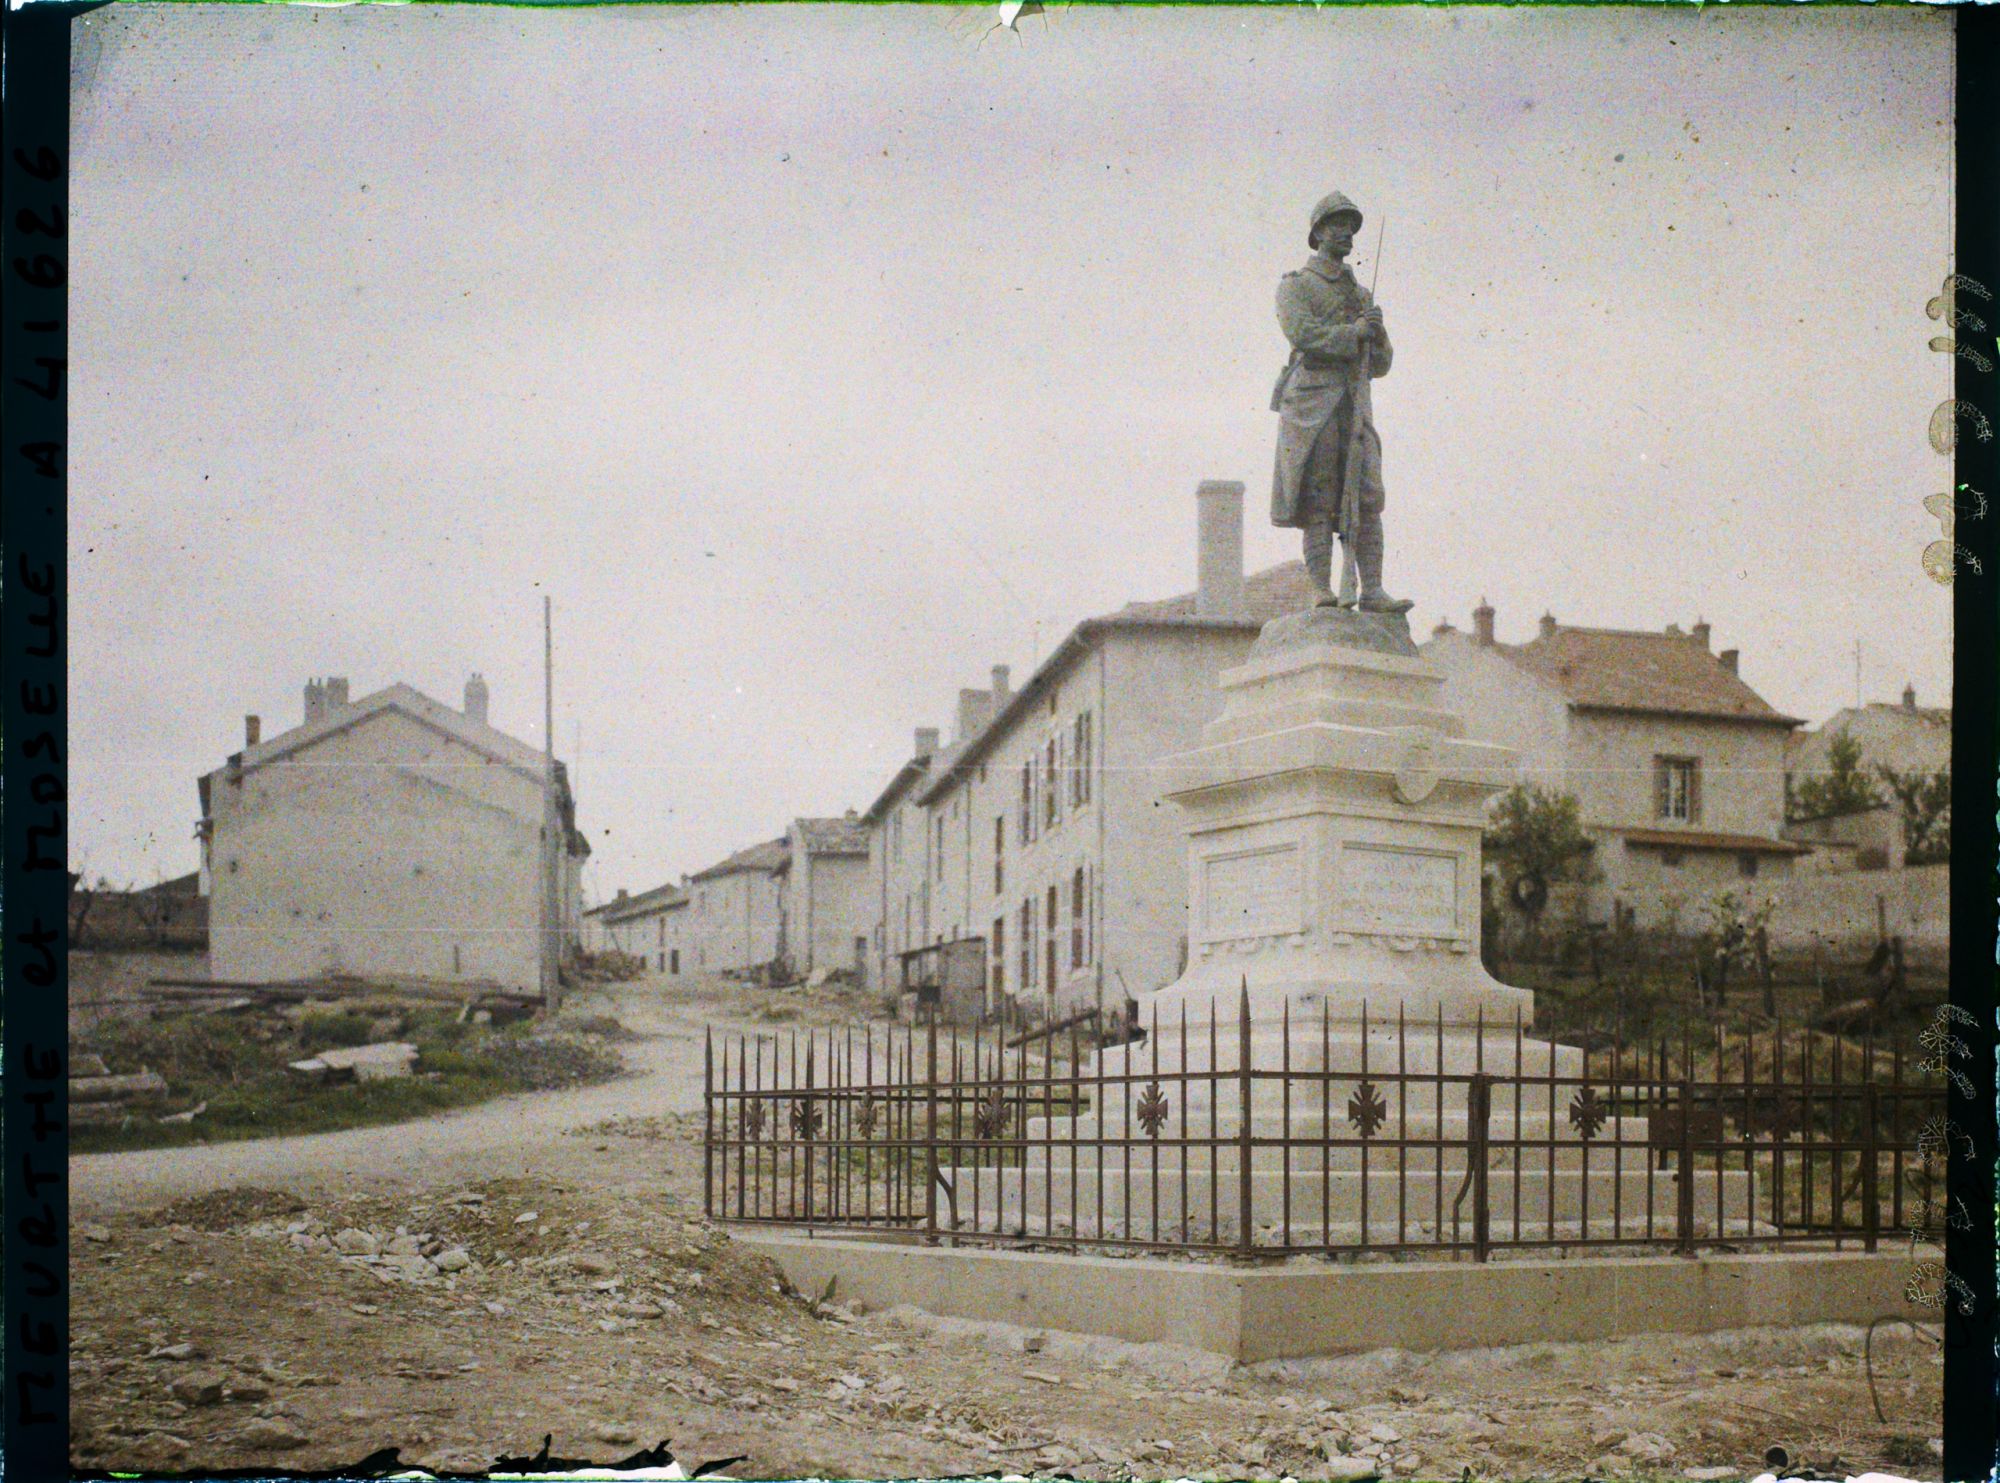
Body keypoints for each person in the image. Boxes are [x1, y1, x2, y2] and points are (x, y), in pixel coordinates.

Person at [1270, 191, 1412, 613]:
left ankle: (1372, 589)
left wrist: (1376, 335)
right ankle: (1321, 588)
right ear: (1317, 233)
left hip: (1354, 402)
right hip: (1312, 402)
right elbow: (1304, 335)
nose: (1346, 233)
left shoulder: (1361, 296)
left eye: (1351, 226)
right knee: (1320, 493)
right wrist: (1354, 334)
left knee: (1367, 495)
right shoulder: (1296, 285)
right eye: (1336, 224)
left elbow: (1380, 365)